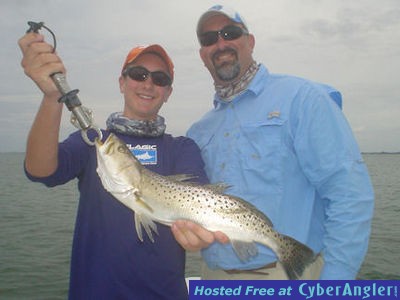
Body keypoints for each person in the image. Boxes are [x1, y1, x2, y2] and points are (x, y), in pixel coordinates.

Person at [173, 5, 374, 280]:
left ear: (250, 41)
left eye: (230, 33)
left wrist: (334, 284)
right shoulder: (198, 130)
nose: (220, 44)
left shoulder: (303, 99)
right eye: (209, 39)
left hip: (285, 276)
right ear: (202, 55)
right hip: (213, 276)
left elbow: (349, 195)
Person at [18, 32, 209, 299]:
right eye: (138, 74)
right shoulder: (95, 141)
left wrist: (200, 236)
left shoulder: (182, 148)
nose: (148, 84)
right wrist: (52, 98)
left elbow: (200, 204)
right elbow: (40, 171)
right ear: (122, 82)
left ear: (168, 92)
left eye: (160, 79)